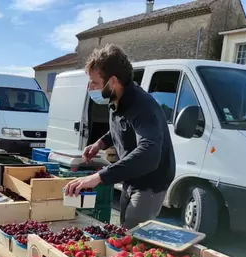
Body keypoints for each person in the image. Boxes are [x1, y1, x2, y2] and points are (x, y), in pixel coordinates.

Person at [64, 44, 176, 229]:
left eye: (94, 83)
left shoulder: (143, 107)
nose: (89, 88)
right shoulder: (116, 99)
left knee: (132, 232)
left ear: (113, 81)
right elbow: (121, 127)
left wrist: (99, 177)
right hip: (130, 176)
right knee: (123, 224)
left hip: (150, 182)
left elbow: (149, 153)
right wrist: (100, 144)